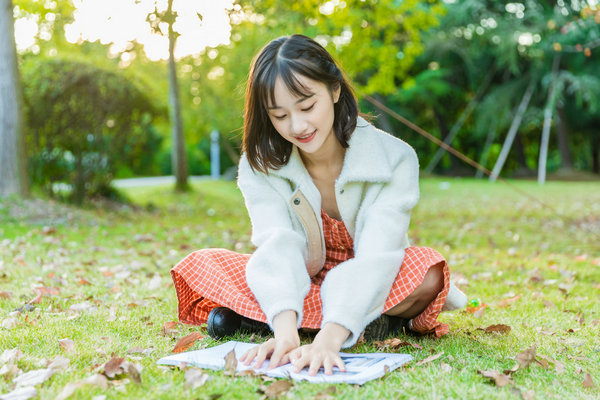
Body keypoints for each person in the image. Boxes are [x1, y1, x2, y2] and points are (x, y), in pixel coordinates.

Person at [171, 34, 467, 376]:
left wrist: (328, 341)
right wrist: (284, 333)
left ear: (335, 90)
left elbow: (379, 256)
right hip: (301, 282)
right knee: (205, 264)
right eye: (280, 115)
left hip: (375, 278)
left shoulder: (396, 159)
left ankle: (323, 324)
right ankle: (341, 324)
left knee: (427, 273)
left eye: (307, 106)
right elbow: (276, 244)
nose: (297, 126)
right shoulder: (259, 167)